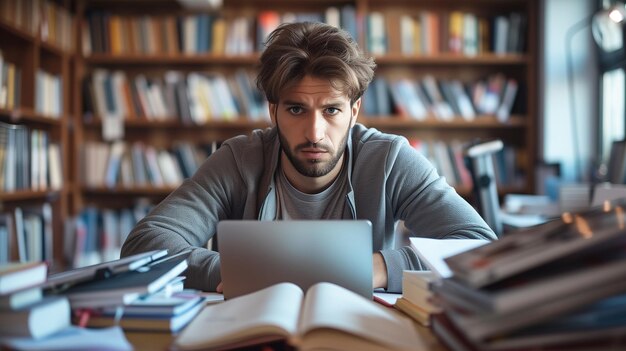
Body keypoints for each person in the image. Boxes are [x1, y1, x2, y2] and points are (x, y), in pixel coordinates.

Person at [121, 22, 496, 293]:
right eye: (297, 110)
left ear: (355, 111)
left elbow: (477, 245)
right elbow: (146, 243)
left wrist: (376, 269)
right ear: (274, 112)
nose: (315, 133)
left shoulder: (389, 159)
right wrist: (233, 272)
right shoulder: (239, 159)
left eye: (331, 110)